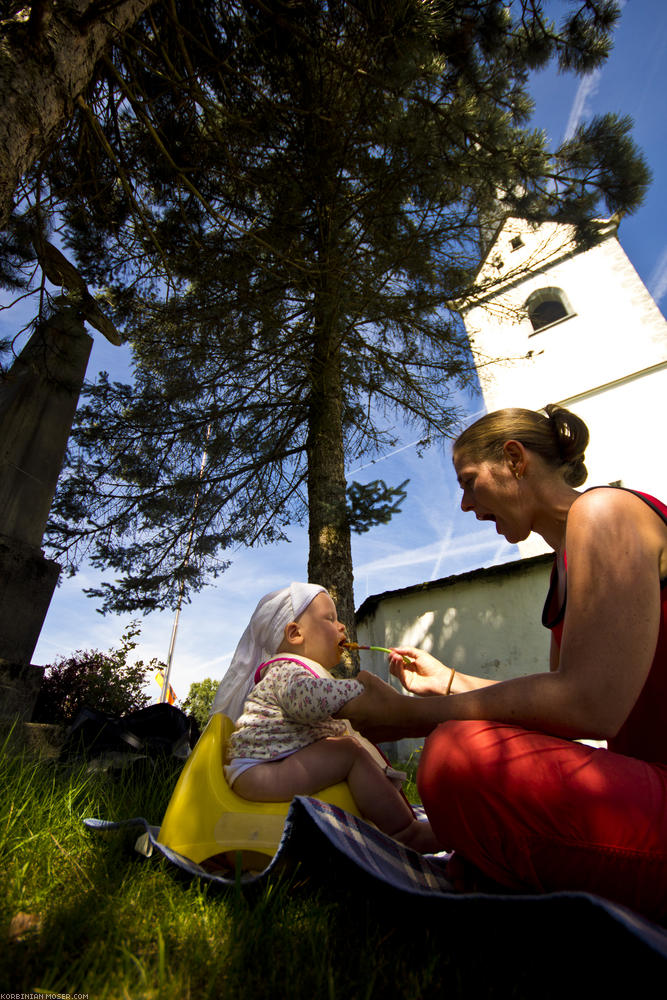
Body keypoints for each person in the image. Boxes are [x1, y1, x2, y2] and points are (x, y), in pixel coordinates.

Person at [337, 405, 667, 921]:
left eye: (468, 482)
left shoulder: (605, 513)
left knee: (456, 754)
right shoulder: (564, 572)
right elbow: (563, 710)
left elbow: (590, 705)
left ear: (514, 459)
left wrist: (408, 717)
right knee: (466, 752)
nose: (465, 505)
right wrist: (448, 682)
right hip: (650, 791)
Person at [210, 582, 438, 852]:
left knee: (345, 748)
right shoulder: (286, 669)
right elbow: (307, 699)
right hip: (259, 772)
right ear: (295, 633)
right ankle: (405, 832)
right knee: (348, 753)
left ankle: (385, 821)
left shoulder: (300, 670)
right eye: (330, 618)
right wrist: (359, 688)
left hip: (269, 768)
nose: (342, 626)